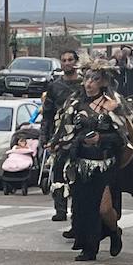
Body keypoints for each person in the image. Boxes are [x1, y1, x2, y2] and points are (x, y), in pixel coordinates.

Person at [65, 64, 133, 261]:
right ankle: (89, 248)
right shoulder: (75, 103)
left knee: (103, 208)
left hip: (105, 164)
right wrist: (57, 144)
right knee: (83, 206)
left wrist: (101, 139)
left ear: (103, 81)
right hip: (81, 163)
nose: (89, 84)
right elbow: (66, 131)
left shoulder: (113, 104)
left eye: (94, 79)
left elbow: (124, 137)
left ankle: (114, 232)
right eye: (86, 78)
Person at [41, 49, 84, 222]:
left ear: (76, 62)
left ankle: (76, 213)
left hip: (80, 136)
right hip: (59, 137)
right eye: (64, 60)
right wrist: (44, 136)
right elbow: (47, 114)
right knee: (58, 173)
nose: (67, 63)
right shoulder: (54, 86)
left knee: (77, 177)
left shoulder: (84, 84)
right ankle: (60, 210)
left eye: (70, 60)